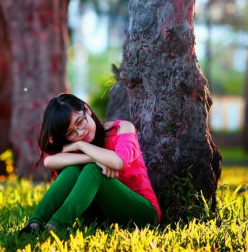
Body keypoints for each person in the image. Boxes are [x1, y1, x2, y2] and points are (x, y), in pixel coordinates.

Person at [19, 93, 161, 234]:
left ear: (87, 109)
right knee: (72, 170)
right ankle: (34, 224)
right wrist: (94, 158)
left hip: (142, 214)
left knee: (93, 170)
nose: (80, 133)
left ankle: (56, 226)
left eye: (80, 122)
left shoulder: (122, 129)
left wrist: (81, 146)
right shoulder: (74, 143)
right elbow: (49, 161)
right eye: (71, 133)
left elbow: (119, 162)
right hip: (100, 220)